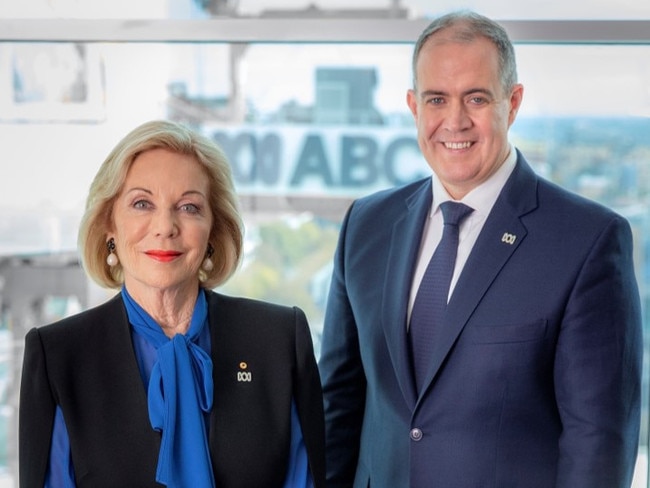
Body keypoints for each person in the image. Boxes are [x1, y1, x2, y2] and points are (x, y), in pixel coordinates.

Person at [318, 10, 642, 488]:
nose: (454, 121)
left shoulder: (587, 241)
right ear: (413, 106)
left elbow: (598, 445)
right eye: (436, 99)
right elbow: (338, 406)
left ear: (512, 104)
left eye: (475, 98)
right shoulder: (366, 225)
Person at [19, 120, 326, 488]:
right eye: (142, 203)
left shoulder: (278, 340)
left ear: (213, 227)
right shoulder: (59, 355)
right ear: (109, 225)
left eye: (189, 207)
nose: (165, 226)